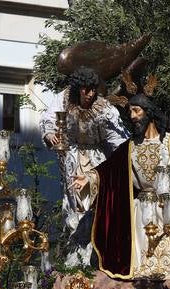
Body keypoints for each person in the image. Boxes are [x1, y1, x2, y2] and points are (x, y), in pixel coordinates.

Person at [89, 92, 170, 280]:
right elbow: (107, 172)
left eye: (136, 111)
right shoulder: (130, 147)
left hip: (169, 209)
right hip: (141, 212)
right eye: (130, 112)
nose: (132, 117)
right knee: (141, 263)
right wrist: (89, 179)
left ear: (148, 112)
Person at [40, 66, 128, 264]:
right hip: (71, 159)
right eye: (86, 89)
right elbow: (48, 118)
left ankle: (95, 253)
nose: (90, 94)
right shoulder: (63, 99)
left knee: (94, 205)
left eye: (93, 89)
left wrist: (125, 156)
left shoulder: (104, 107)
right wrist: (49, 133)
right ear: (78, 88)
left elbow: (119, 138)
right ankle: (76, 254)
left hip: (96, 159)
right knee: (74, 205)